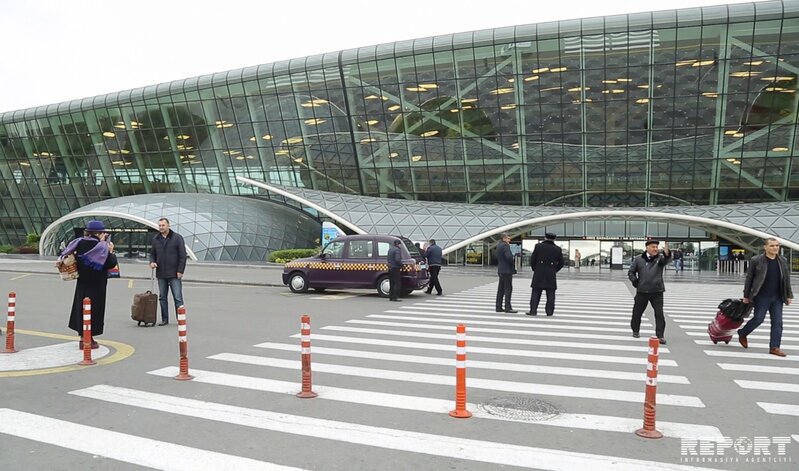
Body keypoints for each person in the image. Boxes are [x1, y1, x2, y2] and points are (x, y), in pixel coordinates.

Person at [60, 220, 117, 349]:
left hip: (82, 282)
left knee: (82, 309)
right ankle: (89, 339)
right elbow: (110, 263)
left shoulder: (79, 242)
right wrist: (111, 251)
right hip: (97, 284)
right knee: (95, 311)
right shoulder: (102, 247)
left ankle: (82, 337)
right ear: (99, 233)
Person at [738, 238, 792, 357]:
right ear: (765, 247)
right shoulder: (756, 260)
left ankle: (774, 347)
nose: (775, 248)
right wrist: (746, 295)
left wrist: (789, 295)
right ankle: (743, 333)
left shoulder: (782, 260)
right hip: (761, 296)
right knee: (758, 319)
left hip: (777, 297)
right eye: (772, 246)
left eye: (777, 246)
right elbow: (749, 279)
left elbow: (786, 279)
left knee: (778, 322)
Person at [628, 239, 671, 344]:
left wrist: (667, 254)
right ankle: (635, 330)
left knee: (659, 314)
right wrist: (635, 282)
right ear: (647, 248)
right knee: (637, 313)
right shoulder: (638, 259)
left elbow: (666, 260)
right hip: (642, 291)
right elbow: (631, 272)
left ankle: (660, 335)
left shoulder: (660, 259)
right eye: (653, 247)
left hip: (657, 291)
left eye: (656, 247)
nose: (655, 249)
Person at [149, 218, 187, 326]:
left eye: (163, 225)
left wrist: (180, 271)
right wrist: (152, 262)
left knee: (178, 297)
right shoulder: (156, 239)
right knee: (162, 297)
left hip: (174, 273)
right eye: (159, 225)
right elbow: (152, 254)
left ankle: (180, 319)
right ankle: (164, 319)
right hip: (161, 273)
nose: (161, 227)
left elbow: (182, 256)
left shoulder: (177, 238)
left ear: (168, 225)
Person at [526, 232, 564, 316]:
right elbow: (561, 263)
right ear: (554, 239)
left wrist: (535, 269)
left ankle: (533, 310)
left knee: (536, 292)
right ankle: (549, 312)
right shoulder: (557, 249)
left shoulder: (538, 246)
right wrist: (554, 270)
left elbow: (533, 259)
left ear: (545, 238)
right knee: (550, 293)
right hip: (551, 273)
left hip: (539, 272)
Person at [495, 233, 517, 313]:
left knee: (500, 289)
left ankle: (498, 307)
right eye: (508, 238)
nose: (509, 239)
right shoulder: (505, 246)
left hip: (501, 269)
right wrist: (512, 263)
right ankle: (508, 307)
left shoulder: (498, 246)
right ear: (504, 238)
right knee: (508, 289)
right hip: (507, 270)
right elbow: (508, 256)